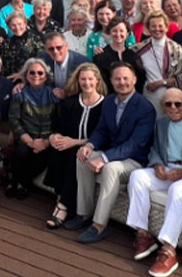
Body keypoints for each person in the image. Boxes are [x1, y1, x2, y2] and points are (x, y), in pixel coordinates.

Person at [69, 62, 155, 244]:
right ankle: (83, 213)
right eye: (117, 79)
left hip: (134, 160)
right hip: (112, 154)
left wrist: (104, 158)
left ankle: (99, 225)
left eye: (126, 78)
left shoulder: (145, 108)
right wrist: (90, 146)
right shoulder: (109, 101)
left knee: (111, 169)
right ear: (111, 81)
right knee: (82, 158)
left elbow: (135, 144)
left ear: (134, 80)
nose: (122, 82)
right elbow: (102, 130)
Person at [126, 88, 182, 277]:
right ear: (162, 106)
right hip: (167, 169)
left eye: (178, 103)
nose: (173, 107)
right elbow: (155, 148)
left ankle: (169, 250)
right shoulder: (160, 122)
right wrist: (157, 164)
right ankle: (143, 234)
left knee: (178, 190)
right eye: (168, 104)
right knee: (137, 177)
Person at [46, 63, 106, 229]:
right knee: (60, 150)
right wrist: (55, 136)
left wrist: (76, 142)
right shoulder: (70, 103)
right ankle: (63, 198)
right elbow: (59, 126)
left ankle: (63, 206)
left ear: (97, 81)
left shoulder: (105, 105)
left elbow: (103, 135)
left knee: (75, 154)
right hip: (69, 144)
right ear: (78, 81)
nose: (87, 83)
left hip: (94, 148)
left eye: (90, 79)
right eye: (83, 79)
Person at [6, 58, 58, 199]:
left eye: (40, 73)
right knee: (21, 152)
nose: (36, 76)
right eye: (32, 73)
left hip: (46, 139)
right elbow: (14, 119)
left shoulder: (53, 95)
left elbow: (59, 121)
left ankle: (22, 182)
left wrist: (46, 141)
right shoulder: (20, 94)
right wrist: (30, 141)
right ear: (26, 75)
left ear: (46, 76)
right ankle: (16, 182)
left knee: (41, 158)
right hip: (26, 136)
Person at [135, 11, 182, 110]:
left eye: (160, 26)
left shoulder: (176, 49)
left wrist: (160, 83)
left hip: (172, 96)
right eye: (153, 26)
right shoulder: (140, 48)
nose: (157, 29)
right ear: (148, 28)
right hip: (149, 95)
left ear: (166, 27)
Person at [92, 18, 142, 88]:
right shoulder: (100, 55)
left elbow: (139, 79)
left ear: (127, 33)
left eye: (121, 31)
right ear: (110, 33)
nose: (118, 34)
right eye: (114, 31)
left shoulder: (133, 55)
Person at [0, 12, 43, 78]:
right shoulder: (7, 42)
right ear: (9, 27)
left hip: (31, 78)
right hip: (10, 78)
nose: (17, 27)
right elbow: (3, 63)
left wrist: (22, 75)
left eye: (20, 24)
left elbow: (41, 61)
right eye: (13, 25)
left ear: (25, 24)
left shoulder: (35, 39)